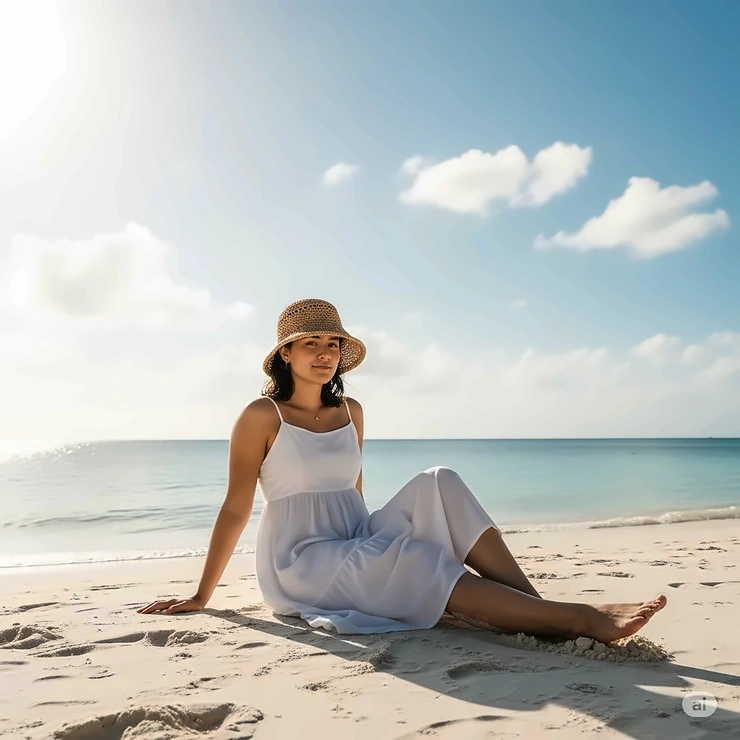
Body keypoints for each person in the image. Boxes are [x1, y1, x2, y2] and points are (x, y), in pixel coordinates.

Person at [137, 298, 667, 641]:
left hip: (350, 536)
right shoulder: (261, 416)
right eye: (311, 344)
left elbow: (354, 489)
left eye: (333, 344)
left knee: (441, 480)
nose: (324, 354)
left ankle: (537, 609)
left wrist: (375, 540)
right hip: (299, 562)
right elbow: (236, 506)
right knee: (411, 559)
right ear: (286, 355)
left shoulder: (353, 412)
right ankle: (576, 618)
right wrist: (202, 595)